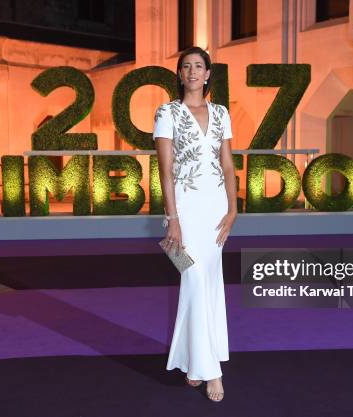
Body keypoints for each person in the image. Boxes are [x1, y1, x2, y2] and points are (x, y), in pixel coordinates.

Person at [152, 46, 237, 402]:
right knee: (196, 280)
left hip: (216, 208)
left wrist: (233, 209)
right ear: (180, 74)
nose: (191, 71)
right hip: (185, 210)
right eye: (185, 66)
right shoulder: (166, 112)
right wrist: (172, 219)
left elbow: (229, 165)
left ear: (207, 74)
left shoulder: (221, 113)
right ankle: (211, 371)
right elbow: (165, 171)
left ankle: (192, 360)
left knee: (207, 284)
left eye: (198, 66)